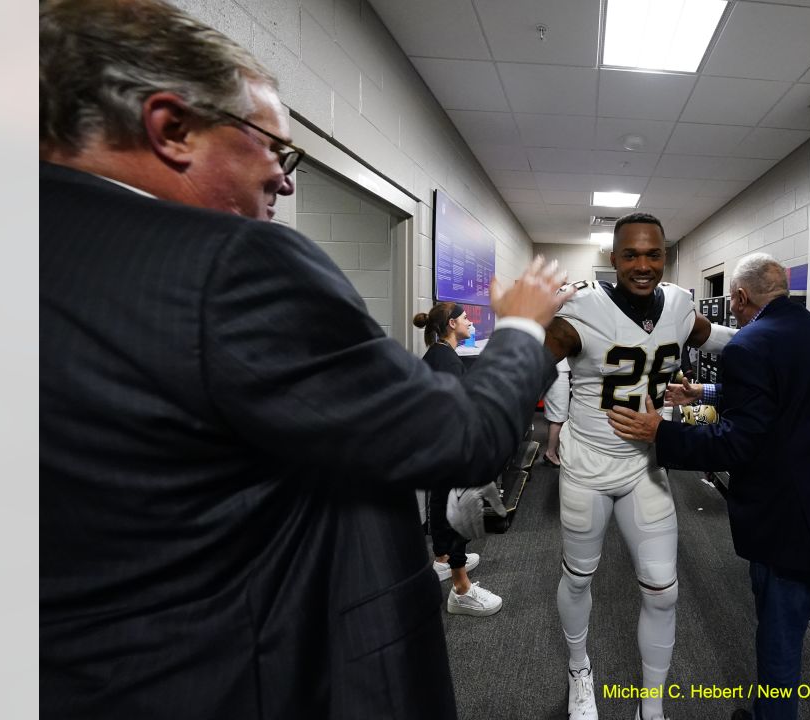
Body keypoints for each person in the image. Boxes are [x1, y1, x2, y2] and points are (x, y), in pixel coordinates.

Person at [39, 1, 569, 718]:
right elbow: (459, 439)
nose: (286, 181)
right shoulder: (227, 266)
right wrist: (523, 327)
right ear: (173, 128)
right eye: (272, 148)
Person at [545, 216, 810, 720]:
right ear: (613, 257)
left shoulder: (675, 303)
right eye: (630, 255)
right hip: (587, 464)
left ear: (665, 256)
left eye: (653, 254)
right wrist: (526, 322)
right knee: (579, 578)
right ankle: (579, 669)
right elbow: (533, 368)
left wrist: (797, 345)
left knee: (664, 591)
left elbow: (716, 335)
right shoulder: (579, 308)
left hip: (644, 463)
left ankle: (652, 704)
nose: (643, 265)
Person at [607, 253, 810, 720]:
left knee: (781, 660)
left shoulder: (747, 347)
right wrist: (701, 393)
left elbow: (735, 445)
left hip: (791, 536)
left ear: (740, 298)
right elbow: (784, 397)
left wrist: (659, 432)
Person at [412, 301, 503, 617]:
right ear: (451, 324)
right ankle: (461, 589)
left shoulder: (439, 355)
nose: (471, 323)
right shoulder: (446, 360)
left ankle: (442, 560)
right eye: (465, 319)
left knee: (441, 500)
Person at [541, 357, 571, 466]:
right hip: (558, 370)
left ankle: (552, 451)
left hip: (556, 369)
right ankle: (551, 454)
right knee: (558, 417)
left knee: (556, 415)